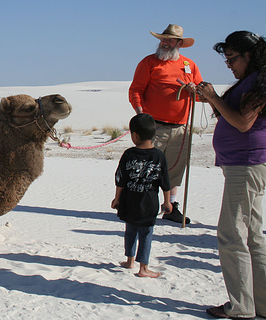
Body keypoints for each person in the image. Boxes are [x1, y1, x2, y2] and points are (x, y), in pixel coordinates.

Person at [195, 31, 266, 320]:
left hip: (245, 165)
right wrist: (210, 100)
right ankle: (259, 303)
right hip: (245, 164)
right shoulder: (252, 81)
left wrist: (214, 97)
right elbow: (231, 115)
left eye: (232, 58)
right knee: (252, 236)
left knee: (232, 234)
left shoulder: (259, 81)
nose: (229, 64)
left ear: (249, 55)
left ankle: (241, 306)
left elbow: (242, 122)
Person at [129, 24, 203, 224]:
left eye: (170, 40)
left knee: (175, 169)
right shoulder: (149, 63)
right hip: (154, 126)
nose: (166, 43)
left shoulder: (190, 65)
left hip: (181, 128)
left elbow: (200, 95)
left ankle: (171, 207)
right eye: (163, 39)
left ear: (180, 43)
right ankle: (143, 205)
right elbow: (136, 89)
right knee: (148, 168)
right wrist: (140, 113)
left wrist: (194, 89)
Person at [111, 113, 172, 278]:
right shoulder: (159, 156)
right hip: (148, 203)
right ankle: (142, 267)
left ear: (135, 135)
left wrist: (117, 198)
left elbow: (120, 179)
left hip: (129, 202)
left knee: (130, 231)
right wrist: (168, 201)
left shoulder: (129, 154)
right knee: (145, 234)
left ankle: (130, 260)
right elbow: (165, 181)